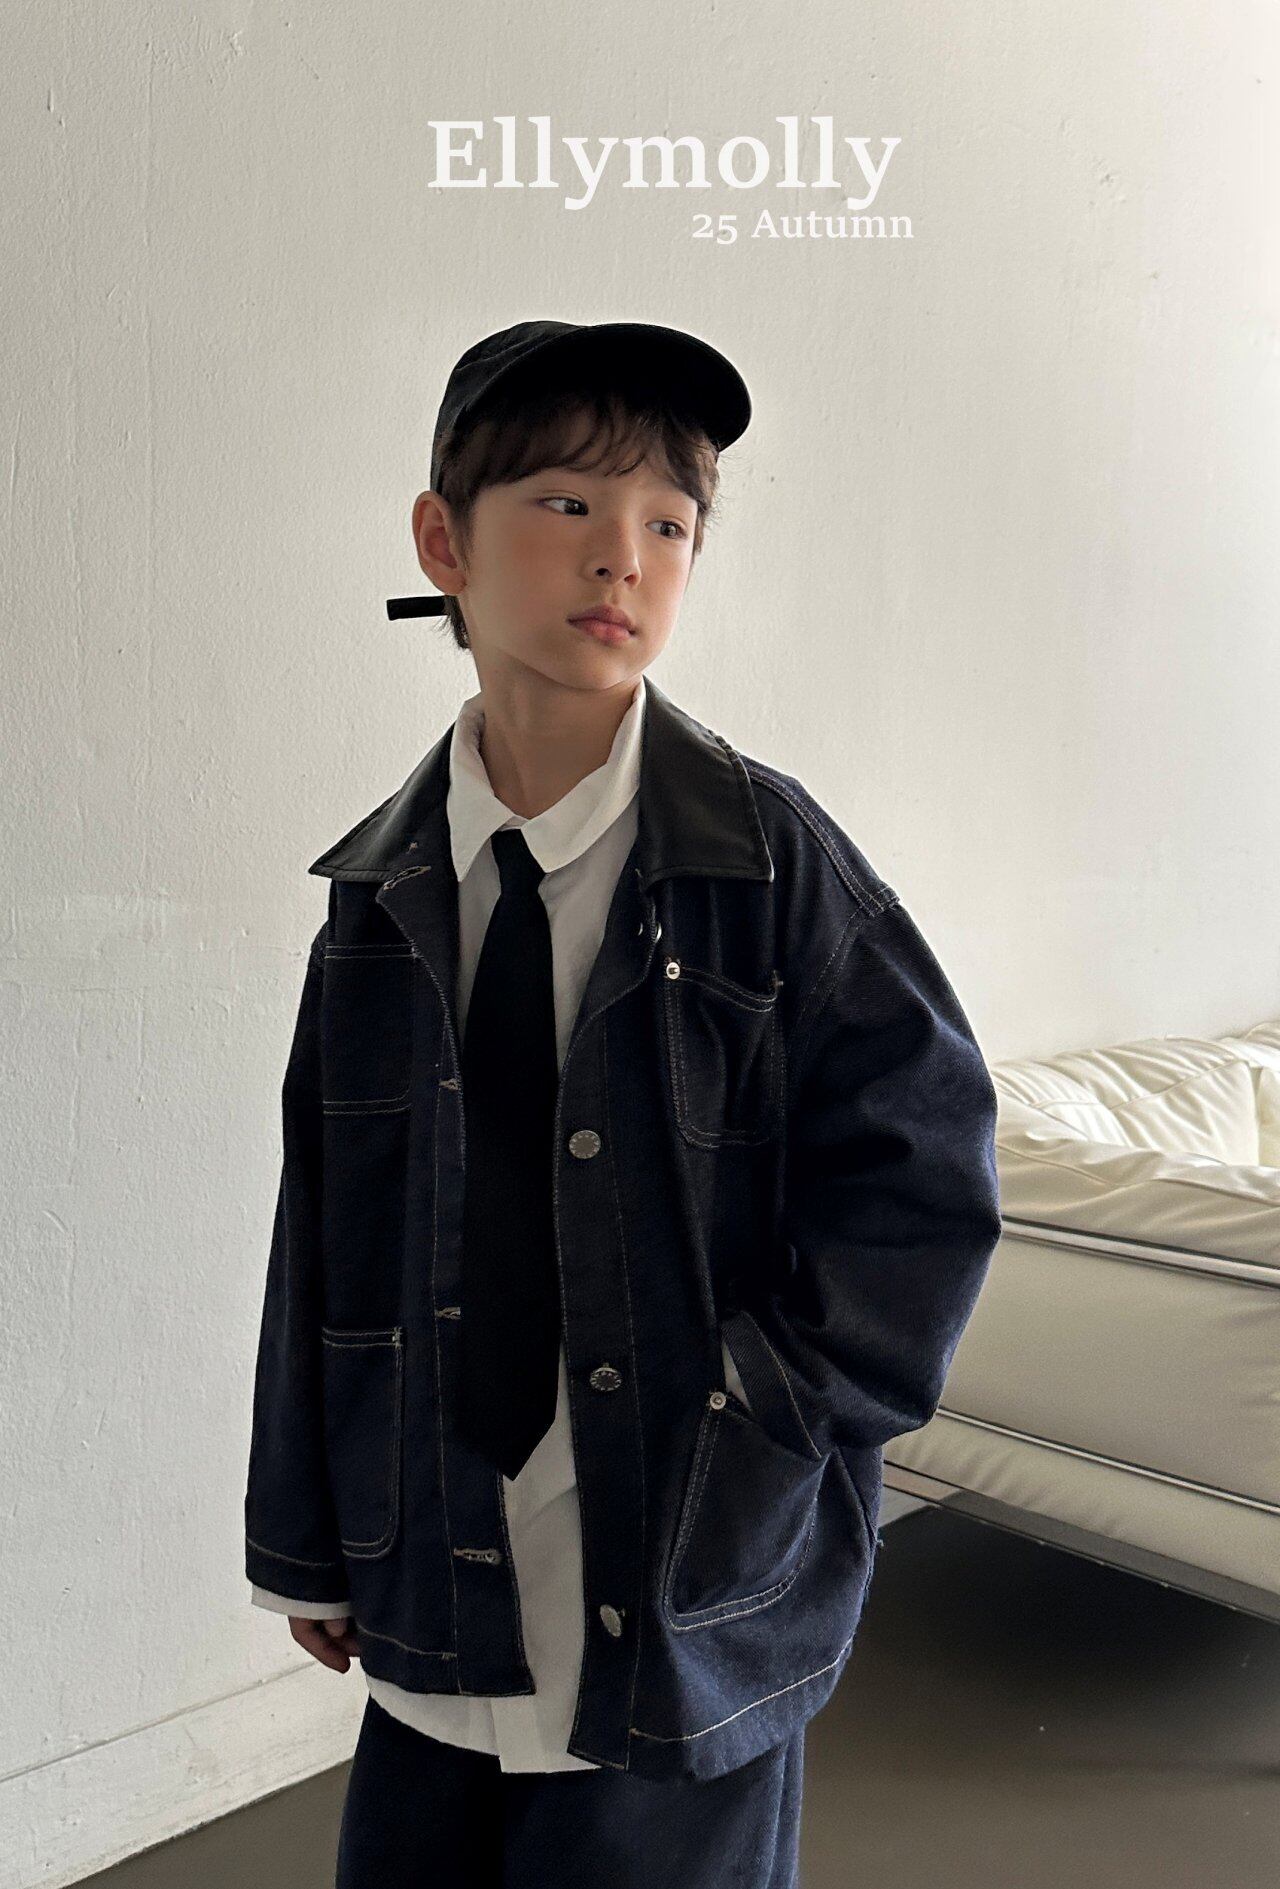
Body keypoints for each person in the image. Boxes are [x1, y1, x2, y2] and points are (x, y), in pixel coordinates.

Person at [244, 320, 1004, 1887]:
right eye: (567, 504)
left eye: (670, 521)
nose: (624, 557)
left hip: (680, 1589)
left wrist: (759, 1418)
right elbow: (324, 1225)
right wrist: (307, 1530)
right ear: (443, 543)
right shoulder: (378, 898)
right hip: (438, 1571)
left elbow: (925, 1181)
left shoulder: (773, 868)